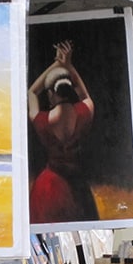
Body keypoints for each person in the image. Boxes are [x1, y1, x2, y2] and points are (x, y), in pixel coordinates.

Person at [28, 40, 98, 224]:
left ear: (51, 94)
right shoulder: (85, 112)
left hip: (48, 187)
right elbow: (85, 96)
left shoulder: (42, 121)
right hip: (77, 187)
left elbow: (32, 92)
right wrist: (68, 64)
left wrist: (56, 63)